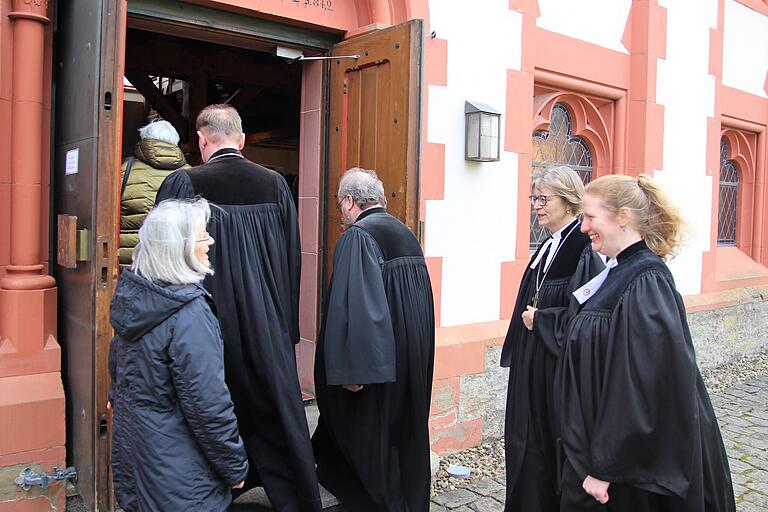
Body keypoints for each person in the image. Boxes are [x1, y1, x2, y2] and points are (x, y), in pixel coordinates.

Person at [155, 104, 321, 511]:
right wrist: (285, 327)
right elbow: (290, 257)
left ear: (201, 139)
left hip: (205, 323)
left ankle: (217, 489)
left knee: (209, 404)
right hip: (265, 323)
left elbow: (163, 258)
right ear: (242, 140)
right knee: (272, 408)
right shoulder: (275, 184)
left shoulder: (182, 182)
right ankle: (289, 490)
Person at [556, 174, 736, 511]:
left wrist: (604, 467)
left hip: (624, 473)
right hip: (597, 452)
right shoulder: (618, 272)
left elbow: (644, 383)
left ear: (623, 216)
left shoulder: (646, 281)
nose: (583, 227)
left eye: (590, 217)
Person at [108, 198, 248, 512]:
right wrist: (234, 464)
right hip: (179, 475)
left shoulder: (135, 298)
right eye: (202, 236)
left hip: (137, 455)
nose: (210, 241)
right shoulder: (189, 315)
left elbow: (118, 369)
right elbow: (208, 404)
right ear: (179, 249)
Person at [312, 168, 435, 511]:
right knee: (400, 432)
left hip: (377, 364)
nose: (341, 214)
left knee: (371, 434)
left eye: (340, 205)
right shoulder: (406, 233)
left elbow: (357, 307)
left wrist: (355, 372)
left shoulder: (359, 236)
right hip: (409, 354)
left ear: (350, 201)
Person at [499, 166, 603, 512]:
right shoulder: (551, 243)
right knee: (525, 440)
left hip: (553, 368)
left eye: (544, 198)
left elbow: (586, 317)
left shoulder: (582, 248)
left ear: (570, 200)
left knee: (544, 444)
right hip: (535, 360)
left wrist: (541, 320)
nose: (536, 205)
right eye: (534, 198)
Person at [119, 119, 190, 270]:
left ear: (144, 139)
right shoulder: (192, 173)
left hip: (133, 262)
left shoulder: (124, 170)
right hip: (176, 264)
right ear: (175, 141)